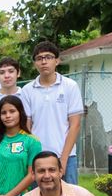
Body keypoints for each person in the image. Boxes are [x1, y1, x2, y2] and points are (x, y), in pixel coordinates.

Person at [21, 41, 83, 184]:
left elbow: (75, 125)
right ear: (35, 63)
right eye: (39, 58)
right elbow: (27, 126)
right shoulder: (27, 90)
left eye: (48, 57)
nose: (44, 62)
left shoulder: (70, 86)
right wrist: (30, 156)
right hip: (37, 157)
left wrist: (64, 159)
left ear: (57, 60)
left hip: (66, 155)